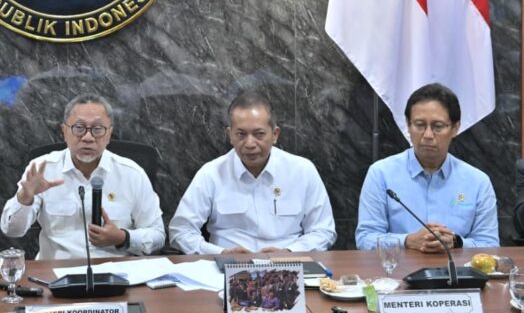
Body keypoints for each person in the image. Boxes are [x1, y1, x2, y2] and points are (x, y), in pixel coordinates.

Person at [0, 94, 165, 259]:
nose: (88, 137)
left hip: (116, 274)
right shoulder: (43, 169)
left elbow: (158, 235)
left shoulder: (132, 174)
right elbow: (12, 230)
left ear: (109, 134)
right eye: (79, 128)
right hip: (55, 275)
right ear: (64, 131)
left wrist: (122, 238)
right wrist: (25, 197)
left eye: (98, 129)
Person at [169, 91, 336, 254]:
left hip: (289, 266)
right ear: (230, 135)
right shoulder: (211, 174)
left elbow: (323, 231)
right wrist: (220, 253)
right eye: (241, 134)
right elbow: (181, 231)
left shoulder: (302, 171)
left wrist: (290, 252)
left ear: (275, 134)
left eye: (259, 134)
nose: (250, 143)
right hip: (227, 270)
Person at [356, 83, 499, 252]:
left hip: (457, 274)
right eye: (419, 125)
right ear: (408, 126)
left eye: (438, 126)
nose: (428, 135)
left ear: (455, 128)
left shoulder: (477, 182)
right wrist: (408, 241)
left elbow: (490, 245)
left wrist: (456, 242)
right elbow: (365, 239)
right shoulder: (381, 174)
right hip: (398, 274)